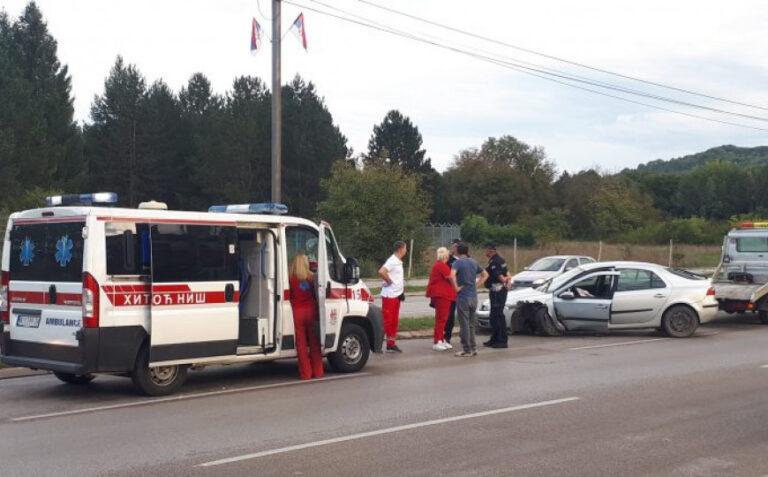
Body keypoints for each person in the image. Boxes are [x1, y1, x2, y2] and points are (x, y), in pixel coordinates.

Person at [288, 253, 324, 380]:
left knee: (301, 345)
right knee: (315, 343)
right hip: (312, 311)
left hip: (297, 312)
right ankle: (318, 371)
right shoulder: (312, 277)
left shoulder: (291, 278)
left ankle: (306, 373)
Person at [450, 243, 489, 357]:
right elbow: (485, 274)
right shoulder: (474, 262)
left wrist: (456, 288)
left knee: (464, 324)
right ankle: (473, 347)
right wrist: (477, 285)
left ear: (458, 252)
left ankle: (467, 349)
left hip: (463, 297)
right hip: (473, 296)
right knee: (471, 324)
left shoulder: (457, 263)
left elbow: (451, 275)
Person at [426, 247, 457, 351]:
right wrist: (457, 287)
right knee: (441, 319)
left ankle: (441, 339)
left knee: (443, 319)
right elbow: (451, 277)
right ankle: (437, 341)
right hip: (442, 295)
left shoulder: (440, 265)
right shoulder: (441, 265)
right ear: (446, 256)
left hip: (444, 295)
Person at [379, 240, 407, 353]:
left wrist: (401, 291)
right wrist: (389, 281)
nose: (406, 251)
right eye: (405, 248)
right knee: (387, 321)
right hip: (389, 296)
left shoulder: (398, 261)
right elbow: (382, 271)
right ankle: (378, 343)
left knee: (394, 321)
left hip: (396, 295)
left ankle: (391, 344)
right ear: (400, 249)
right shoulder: (392, 260)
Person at [483, 242, 511, 348]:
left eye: (486, 250)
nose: (485, 252)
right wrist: (508, 281)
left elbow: (501, 277)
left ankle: (502, 340)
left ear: (491, 251)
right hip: (497, 291)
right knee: (493, 316)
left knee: (498, 315)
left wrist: (506, 281)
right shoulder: (500, 260)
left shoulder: (495, 262)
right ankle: (494, 338)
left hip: (497, 291)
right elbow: (507, 273)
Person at [443, 239, 461, 348]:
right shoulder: (448, 259)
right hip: (451, 290)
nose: (452, 248)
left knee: (463, 315)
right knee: (449, 315)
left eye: (455, 246)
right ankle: (446, 337)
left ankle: (465, 337)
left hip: (463, 290)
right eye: (452, 246)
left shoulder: (466, 258)